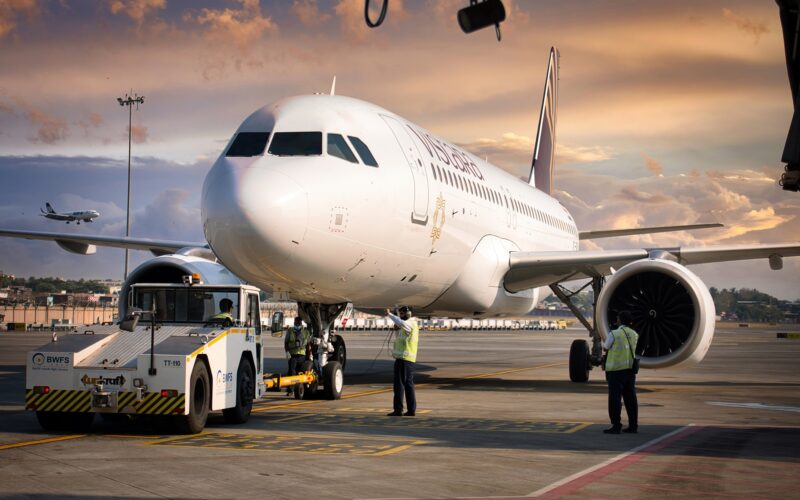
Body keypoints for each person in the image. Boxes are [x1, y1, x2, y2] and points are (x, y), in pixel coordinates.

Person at [603, 310, 639, 434]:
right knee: (631, 399)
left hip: (616, 372)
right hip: (630, 371)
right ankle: (633, 425)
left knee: (615, 399)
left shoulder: (615, 333)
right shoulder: (634, 334)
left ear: (619, 320)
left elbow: (605, 347)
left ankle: (616, 425)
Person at [385, 306, 419, 417]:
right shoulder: (410, 325)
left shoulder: (410, 323)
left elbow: (402, 323)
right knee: (408, 385)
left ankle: (398, 409)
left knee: (399, 385)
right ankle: (411, 410)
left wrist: (390, 315)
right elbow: (401, 337)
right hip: (406, 359)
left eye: (403, 313)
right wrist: (397, 329)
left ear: (408, 314)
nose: (401, 315)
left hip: (404, 359)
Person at [284, 316, 310, 392]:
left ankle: (298, 389)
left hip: (302, 355)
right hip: (293, 355)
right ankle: (290, 389)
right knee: (292, 372)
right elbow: (286, 343)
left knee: (300, 372)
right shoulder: (290, 330)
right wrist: (287, 353)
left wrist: (309, 356)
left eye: (299, 322)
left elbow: (308, 345)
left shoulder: (305, 332)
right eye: (296, 322)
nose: (297, 324)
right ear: (294, 322)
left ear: (301, 323)